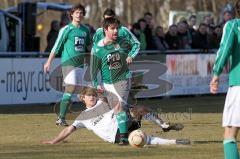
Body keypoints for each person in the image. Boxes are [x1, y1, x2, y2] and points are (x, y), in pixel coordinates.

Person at [41, 87, 189, 146]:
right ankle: (175, 142)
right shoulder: (82, 117)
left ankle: (163, 126)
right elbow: (68, 130)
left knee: (140, 108)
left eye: (93, 95)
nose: (92, 97)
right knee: (143, 138)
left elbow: (114, 101)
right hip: (116, 136)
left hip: (124, 125)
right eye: (89, 96)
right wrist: (53, 141)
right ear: (82, 98)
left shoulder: (102, 102)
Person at [44, 4, 91, 126]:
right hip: (68, 64)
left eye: (81, 12)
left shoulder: (85, 30)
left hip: (80, 65)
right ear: (72, 14)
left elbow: (89, 47)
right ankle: (61, 118)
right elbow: (56, 46)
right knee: (70, 88)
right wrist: (48, 62)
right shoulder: (66, 29)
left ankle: (91, 117)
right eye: (76, 12)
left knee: (82, 92)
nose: (79, 15)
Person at [210, 1, 240, 159]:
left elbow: (224, 50)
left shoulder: (234, 25)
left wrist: (215, 75)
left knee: (230, 134)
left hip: (239, 85)